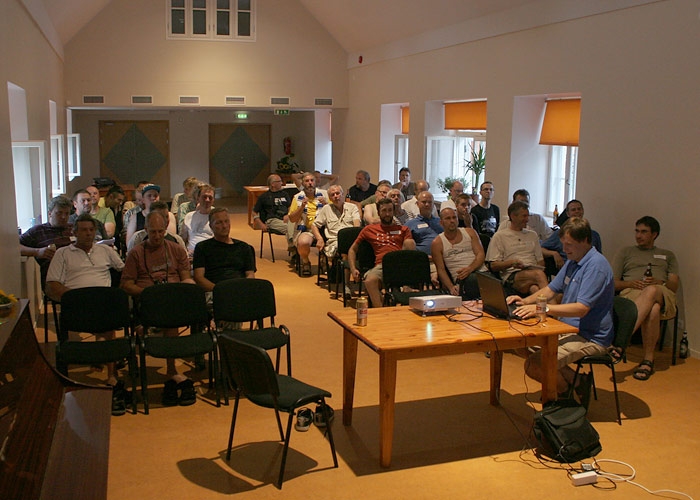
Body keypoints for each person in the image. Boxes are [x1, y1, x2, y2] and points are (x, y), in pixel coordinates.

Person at [508, 217, 614, 405]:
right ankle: (577, 381)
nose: (565, 250)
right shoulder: (574, 260)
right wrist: (524, 301)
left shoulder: (596, 266)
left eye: (569, 245)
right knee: (521, 342)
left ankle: (565, 396)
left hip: (589, 336)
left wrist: (542, 309)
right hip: (568, 329)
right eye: (563, 244)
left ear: (586, 241)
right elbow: (550, 289)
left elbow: (581, 309)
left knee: (535, 364)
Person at [45, 214, 127, 414]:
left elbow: (124, 271)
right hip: (77, 305)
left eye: (91, 230)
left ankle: (111, 376)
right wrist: (76, 299)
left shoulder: (105, 251)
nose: (88, 233)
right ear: (74, 232)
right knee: (103, 316)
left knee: (110, 316)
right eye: (83, 230)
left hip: (103, 302)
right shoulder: (63, 253)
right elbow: (52, 284)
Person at [121, 211, 197, 406]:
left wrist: (189, 286)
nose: (156, 236)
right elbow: (126, 284)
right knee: (168, 316)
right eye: (152, 232)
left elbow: (185, 276)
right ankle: (169, 367)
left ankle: (171, 368)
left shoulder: (176, 249)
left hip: (173, 298)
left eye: (160, 231)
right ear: (145, 230)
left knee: (172, 313)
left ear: (166, 230)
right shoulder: (136, 253)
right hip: (147, 299)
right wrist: (146, 294)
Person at [612, 216, 679, 381]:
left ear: (654, 234)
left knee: (651, 291)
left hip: (662, 293)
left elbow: (673, 285)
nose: (638, 235)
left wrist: (660, 282)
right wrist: (631, 283)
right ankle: (648, 360)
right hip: (632, 293)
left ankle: (622, 341)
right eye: (637, 231)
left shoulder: (667, 255)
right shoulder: (625, 252)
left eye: (644, 232)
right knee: (653, 309)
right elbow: (612, 284)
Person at [348, 198, 415, 308]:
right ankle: (380, 310)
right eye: (384, 211)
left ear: (394, 212)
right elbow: (352, 249)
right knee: (369, 281)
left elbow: (410, 248)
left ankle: (406, 284)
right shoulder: (369, 229)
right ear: (378, 212)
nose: (387, 214)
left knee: (410, 242)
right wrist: (353, 268)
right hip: (382, 265)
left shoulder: (403, 229)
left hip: (401, 264)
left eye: (390, 210)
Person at [486, 200, 548, 295]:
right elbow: (493, 266)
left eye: (528, 216)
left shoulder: (532, 235)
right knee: (539, 275)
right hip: (512, 275)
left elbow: (540, 261)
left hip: (532, 272)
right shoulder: (500, 236)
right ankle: (554, 308)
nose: (527, 219)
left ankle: (548, 307)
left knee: (535, 289)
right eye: (524, 216)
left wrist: (536, 268)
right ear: (513, 216)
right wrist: (511, 263)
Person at [311, 184, 361, 297]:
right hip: (334, 241)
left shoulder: (352, 207)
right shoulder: (326, 209)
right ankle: (347, 285)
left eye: (338, 193)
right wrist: (319, 239)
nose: (336, 196)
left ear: (343, 195)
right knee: (345, 251)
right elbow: (314, 225)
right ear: (330, 198)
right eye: (332, 195)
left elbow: (357, 225)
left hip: (353, 239)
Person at [193, 207, 256, 295]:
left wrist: (243, 288)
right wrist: (221, 291)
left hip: (241, 290)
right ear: (211, 226)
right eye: (219, 222)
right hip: (215, 291)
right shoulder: (202, 248)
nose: (224, 226)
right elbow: (199, 277)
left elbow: (250, 274)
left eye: (226, 221)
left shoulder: (243, 247)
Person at [20, 195, 75, 289]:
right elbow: (14, 246)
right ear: (50, 213)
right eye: (59, 213)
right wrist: (37, 252)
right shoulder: (38, 231)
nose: (63, 217)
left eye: (67, 214)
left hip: (76, 270)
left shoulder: (74, 229)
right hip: (54, 277)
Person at [432, 207, 486, 299]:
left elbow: (480, 254)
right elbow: (441, 270)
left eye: (454, 217)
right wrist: (451, 287)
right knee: (472, 281)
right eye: (448, 218)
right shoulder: (437, 243)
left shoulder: (470, 232)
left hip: (481, 272)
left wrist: (470, 269)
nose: (452, 221)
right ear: (441, 222)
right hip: (462, 279)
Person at [541, 199, 602, 271]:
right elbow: (541, 249)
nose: (577, 211)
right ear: (568, 214)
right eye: (573, 210)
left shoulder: (594, 235)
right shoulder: (560, 233)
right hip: (569, 270)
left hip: (590, 269)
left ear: (583, 211)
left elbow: (598, 256)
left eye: (579, 209)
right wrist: (554, 254)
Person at [288, 172, 327, 275]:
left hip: (323, 228)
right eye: (307, 181)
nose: (310, 183)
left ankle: (324, 261)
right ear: (303, 183)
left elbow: (336, 212)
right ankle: (305, 262)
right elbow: (292, 219)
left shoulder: (325, 194)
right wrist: (301, 207)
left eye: (312, 180)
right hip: (306, 229)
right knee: (303, 243)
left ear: (315, 182)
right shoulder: (297, 197)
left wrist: (326, 205)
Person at [252, 174, 292, 244]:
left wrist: (289, 215)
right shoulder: (264, 197)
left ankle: (295, 250)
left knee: (299, 227)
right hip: (272, 220)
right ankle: (294, 250)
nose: (282, 183)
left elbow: (290, 207)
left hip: (286, 218)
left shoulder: (285, 194)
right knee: (290, 228)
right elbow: (254, 212)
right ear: (273, 184)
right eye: (279, 181)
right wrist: (261, 224)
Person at [180, 183, 216, 258]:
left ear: (213, 200)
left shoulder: (216, 217)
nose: (207, 200)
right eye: (204, 197)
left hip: (211, 254)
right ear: (198, 198)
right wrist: (185, 251)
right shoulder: (189, 216)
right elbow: (183, 239)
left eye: (210, 198)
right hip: (191, 255)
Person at [103, 185, 126, 253]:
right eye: (119, 200)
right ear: (111, 197)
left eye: (122, 201)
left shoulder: (117, 208)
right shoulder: (100, 207)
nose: (121, 203)